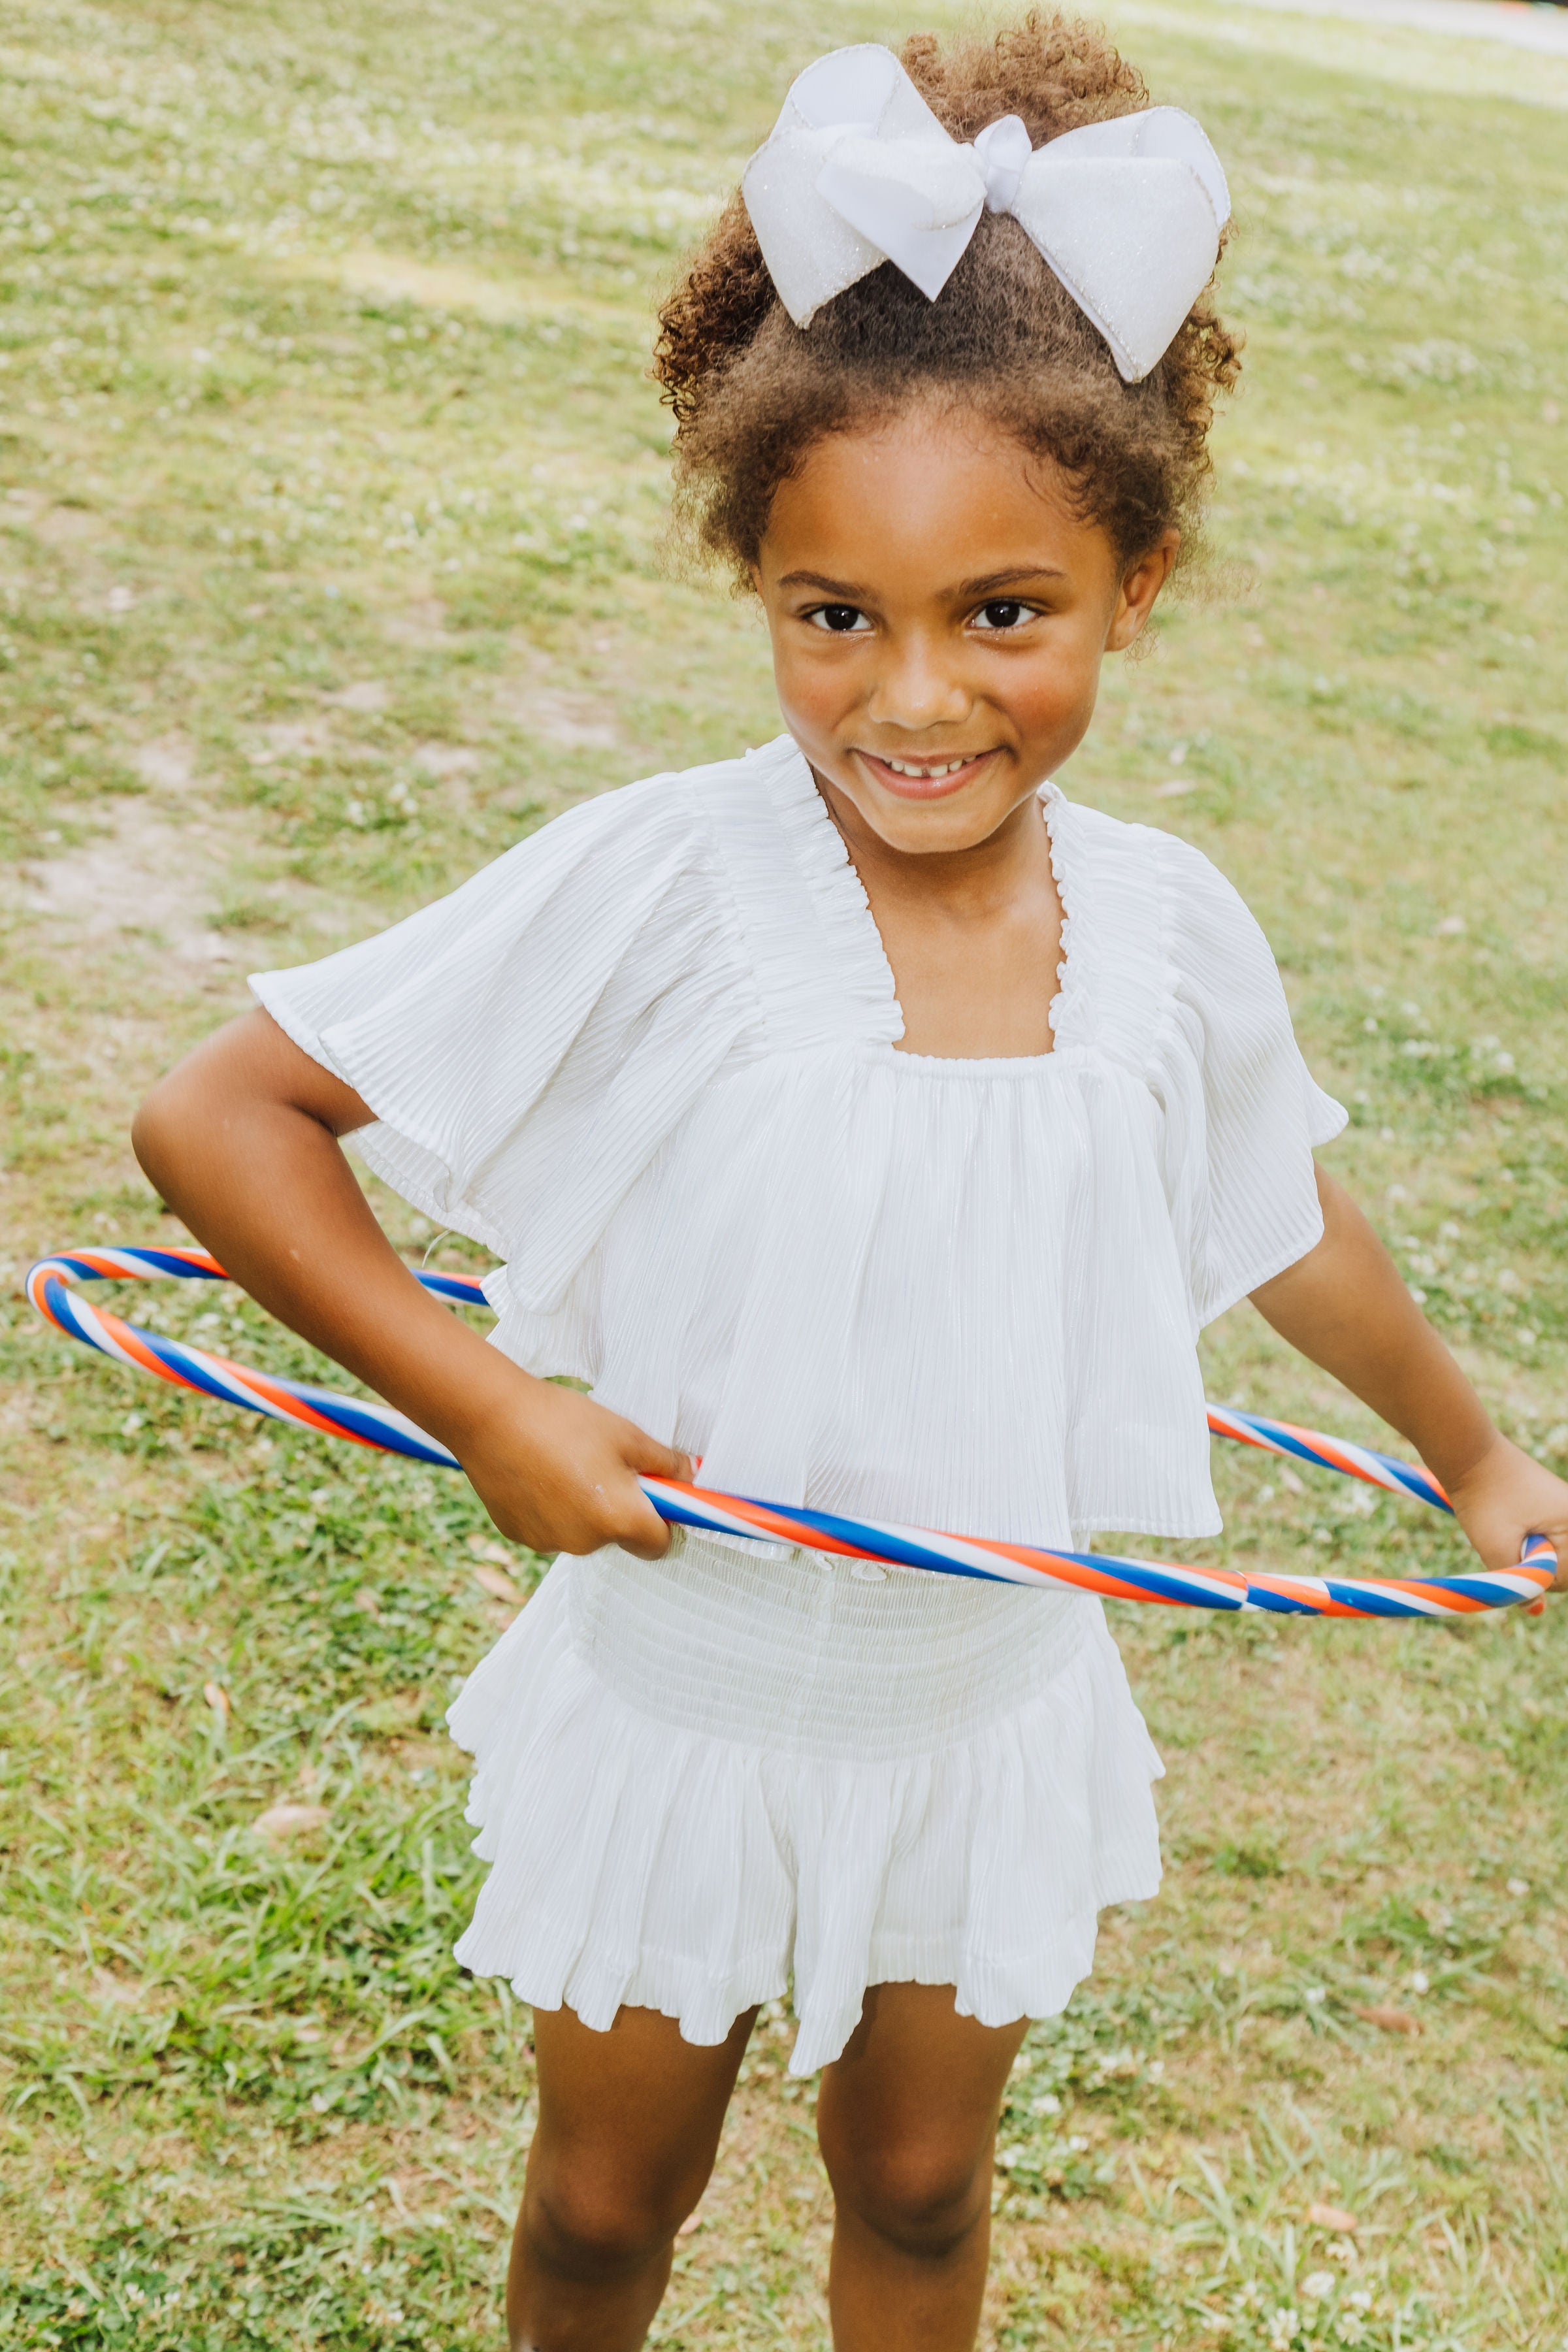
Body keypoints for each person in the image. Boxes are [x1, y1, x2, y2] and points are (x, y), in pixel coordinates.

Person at [131, 18, 1568, 2350]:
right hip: (689, 1687)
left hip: (982, 1688)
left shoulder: (1173, 927)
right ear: (762, 579)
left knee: (918, 2187)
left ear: (1140, 579)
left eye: (1007, 612)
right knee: (610, 2203)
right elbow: (220, 1118)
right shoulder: (674, 881)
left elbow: (1278, 1220)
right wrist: (484, 1400)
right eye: (836, 616)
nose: (916, 699)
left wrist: (1478, 1449)